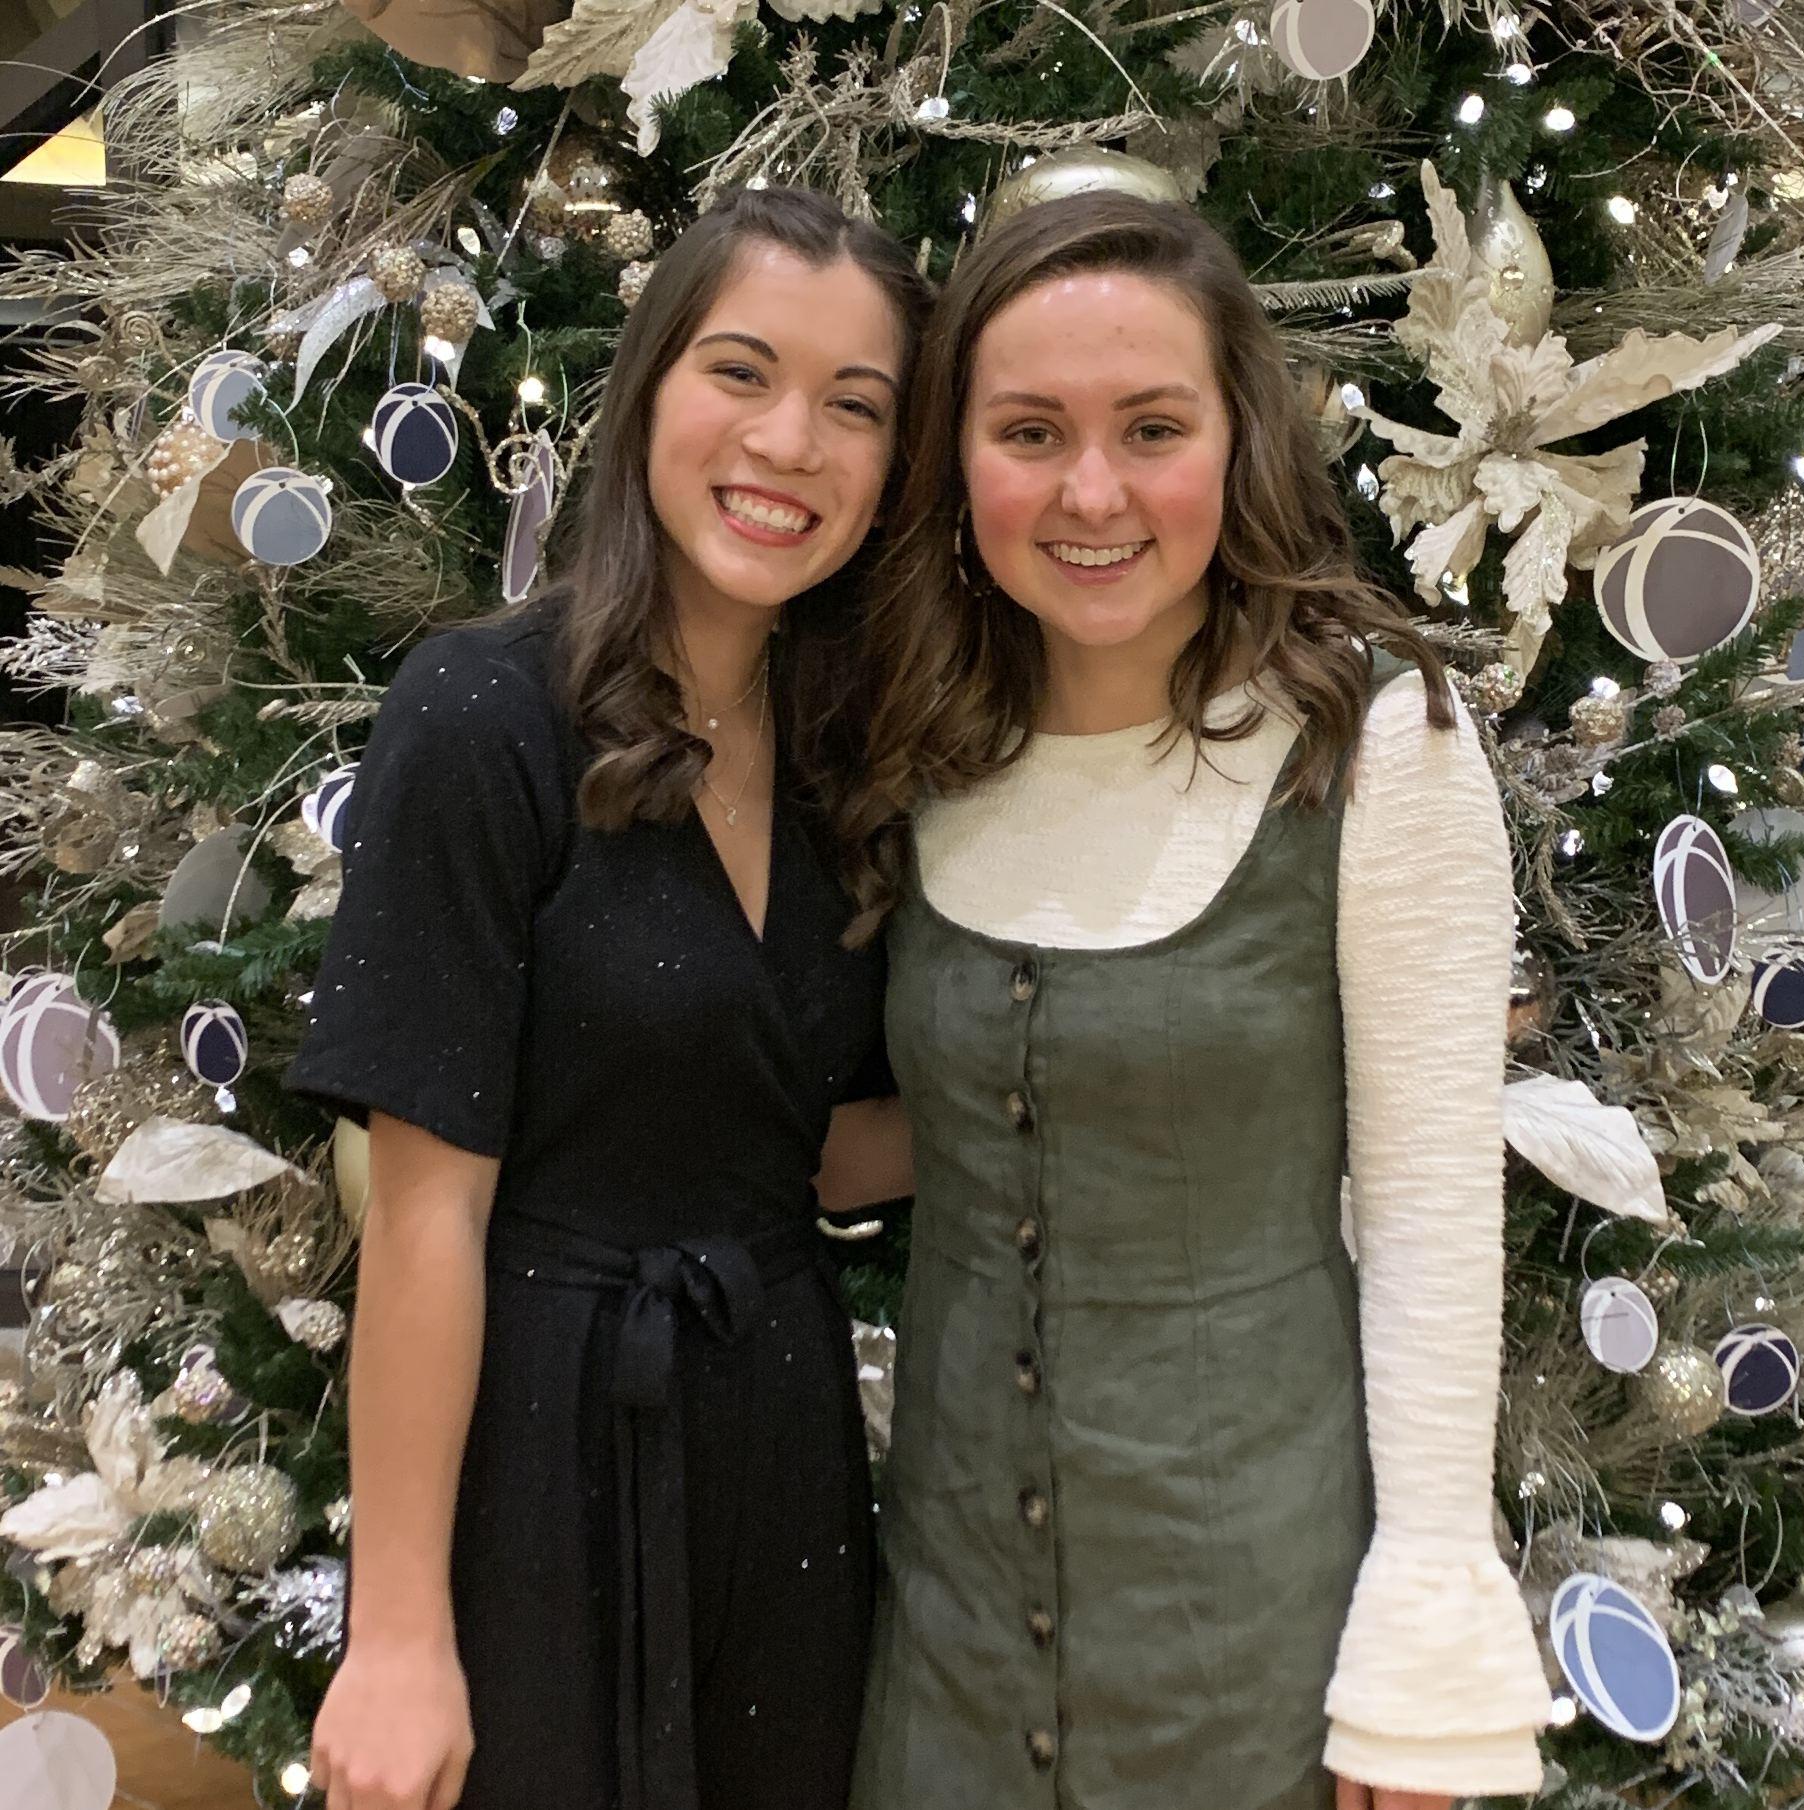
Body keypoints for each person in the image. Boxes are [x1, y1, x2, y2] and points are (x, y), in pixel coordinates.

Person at [843, 188, 1551, 1810]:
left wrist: (1418, 1668)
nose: (1091, 491)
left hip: (1253, 1651)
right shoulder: (920, 745)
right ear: (959, 456)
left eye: (1152, 428)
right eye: (1030, 431)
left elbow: (1432, 1214)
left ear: (1239, 441)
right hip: (945, 1647)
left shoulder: (1381, 744)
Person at [286, 184, 927, 1810]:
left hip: (781, 1436)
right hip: (541, 1443)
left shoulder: (859, 756)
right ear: (648, 389)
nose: (789, 442)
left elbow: (806, 1145)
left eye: (855, 405)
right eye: (742, 372)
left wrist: (1085, 1101)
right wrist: (399, 1631)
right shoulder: (484, 713)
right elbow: (425, 1213)